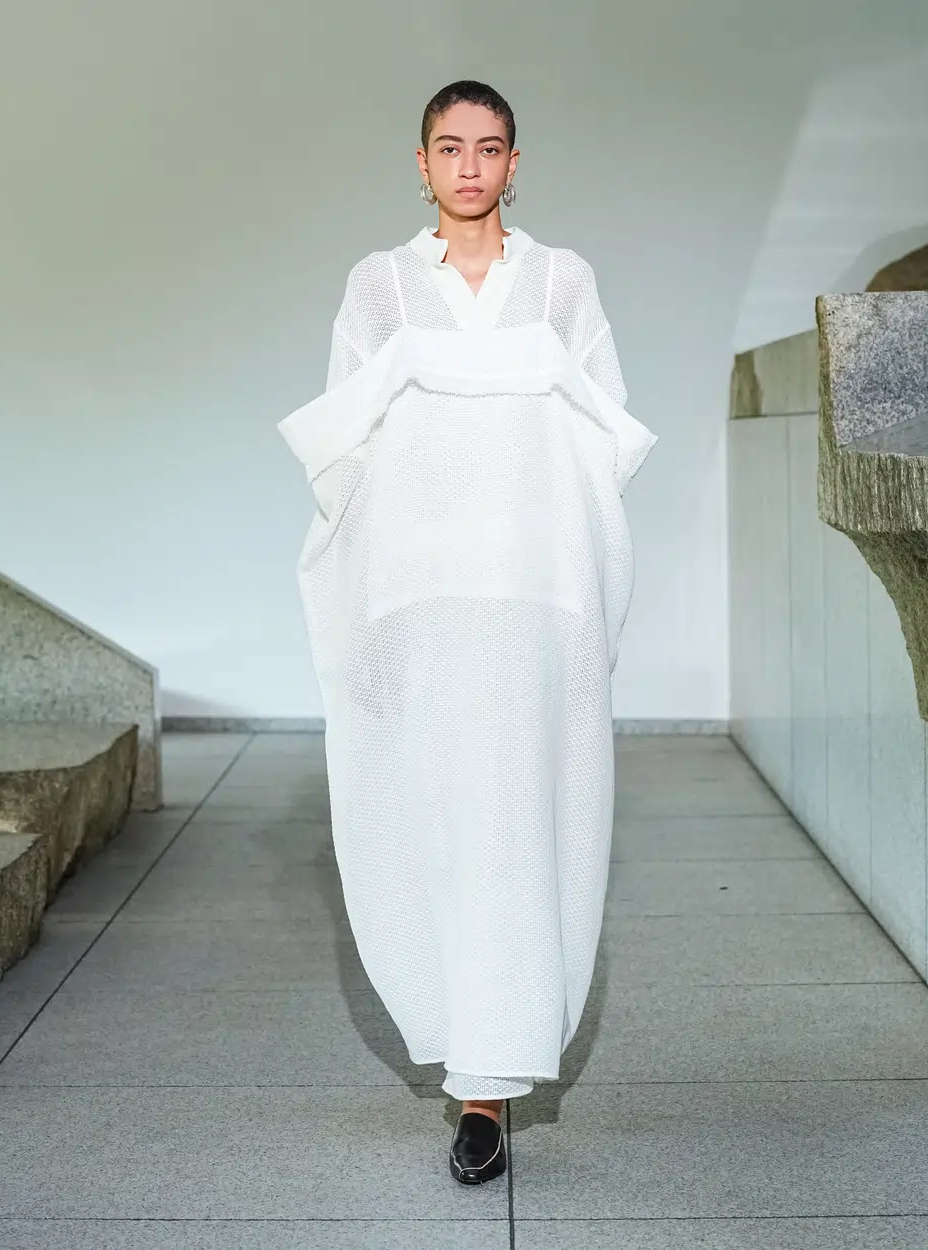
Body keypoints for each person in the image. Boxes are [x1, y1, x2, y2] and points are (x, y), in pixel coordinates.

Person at [278, 80, 657, 1186]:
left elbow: (604, 432)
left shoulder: (562, 280)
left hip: (534, 604)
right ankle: (469, 1068)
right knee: (434, 823)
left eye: (489, 149)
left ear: (514, 162)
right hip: (423, 605)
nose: (470, 167)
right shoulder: (381, 284)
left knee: (524, 827)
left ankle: (489, 1079)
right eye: (450, 148)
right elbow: (344, 445)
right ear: (422, 161)